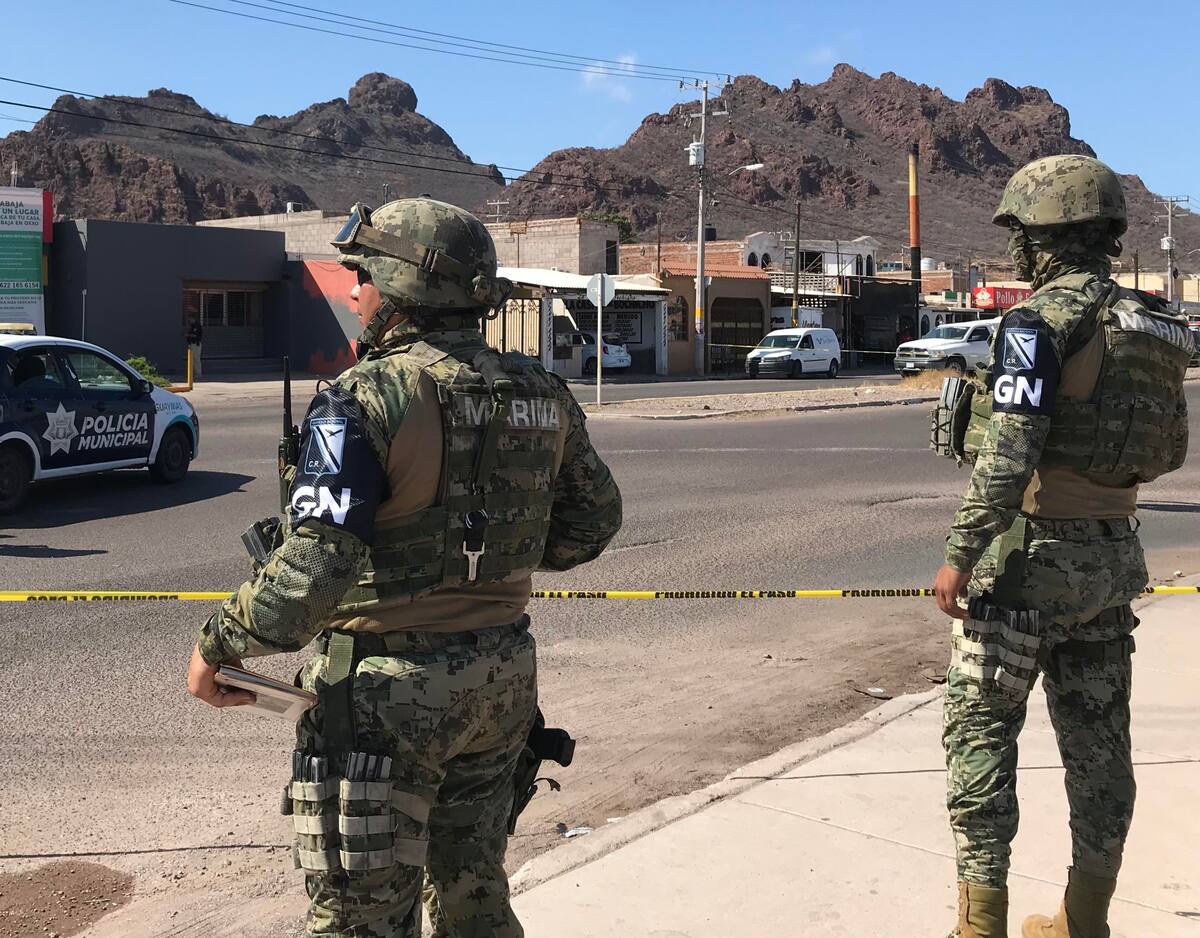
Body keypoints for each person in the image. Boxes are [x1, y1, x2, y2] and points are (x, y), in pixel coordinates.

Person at [186, 198, 623, 938]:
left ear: (400, 287)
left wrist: (217, 644)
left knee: (360, 919)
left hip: (385, 700)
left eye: (363, 276)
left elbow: (313, 573)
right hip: (502, 681)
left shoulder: (364, 398)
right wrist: (493, 558)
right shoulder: (543, 392)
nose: (354, 292)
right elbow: (593, 524)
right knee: (473, 896)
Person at [933, 154, 1192, 938]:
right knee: (1100, 752)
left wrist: (960, 553)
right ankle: (1085, 922)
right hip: (1110, 566)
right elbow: (1168, 449)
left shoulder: (1036, 323)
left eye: (1018, 231)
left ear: (1040, 233)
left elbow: (1010, 451)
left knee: (980, 743)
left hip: (1025, 567)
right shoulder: (1156, 324)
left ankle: (980, 926)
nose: (1014, 245)